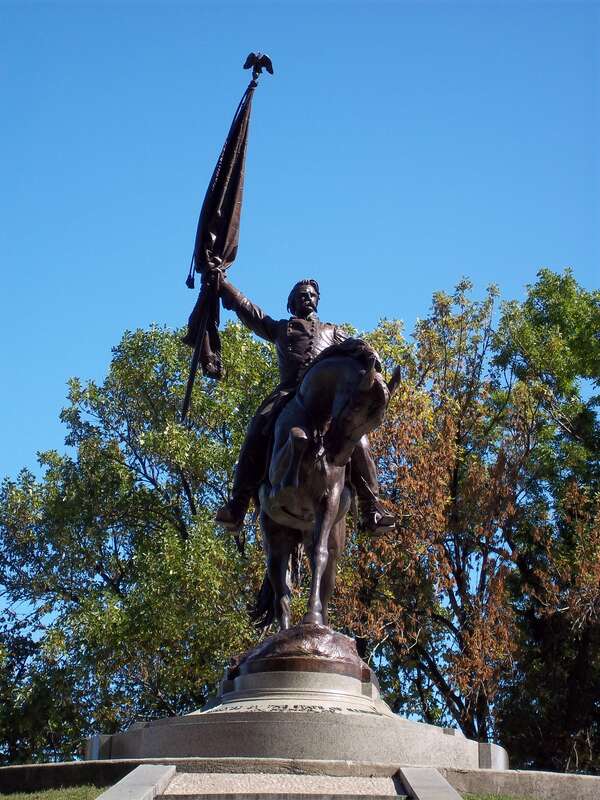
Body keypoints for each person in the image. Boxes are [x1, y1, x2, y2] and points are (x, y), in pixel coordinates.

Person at [214, 275, 395, 534]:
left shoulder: (333, 332)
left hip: (327, 405)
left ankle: (370, 508)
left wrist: (371, 356)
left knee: (359, 440)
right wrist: (223, 286)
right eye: (301, 294)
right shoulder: (281, 329)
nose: (307, 298)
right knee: (256, 429)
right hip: (288, 396)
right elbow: (249, 311)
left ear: (318, 300)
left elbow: (356, 349)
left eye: (311, 294)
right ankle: (238, 505)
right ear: (291, 303)